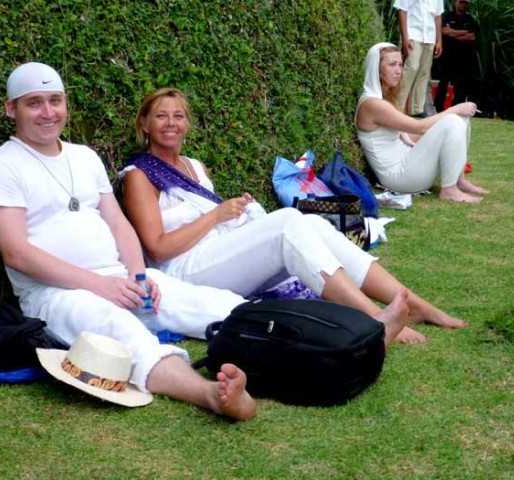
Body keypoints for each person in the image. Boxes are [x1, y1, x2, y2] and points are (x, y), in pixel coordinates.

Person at [0, 62, 257, 421]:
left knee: (220, 305)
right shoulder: (0, 168)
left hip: (121, 279)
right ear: (11, 108)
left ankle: (307, 349)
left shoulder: (85, 157)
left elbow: (119, 223)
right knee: (123, 335)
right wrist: (101, 286)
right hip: (55, 295)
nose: (48, 112)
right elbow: (17, 254)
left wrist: (138, 276)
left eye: (55, 101)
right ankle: (212, 395)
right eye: (34, 103)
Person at [121, 88, 464, 345]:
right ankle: (376, 319)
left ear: (187, 123)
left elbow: (213, 218)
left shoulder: (193, 166)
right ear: (144, 124)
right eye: (161, 116)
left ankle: (415, 304)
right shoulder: (139, 175)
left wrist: (234, 211)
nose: (171, 123)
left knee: (312, 223)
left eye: (178, 116)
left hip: (220, 253)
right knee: (287, 222)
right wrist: (215, 216)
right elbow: (158, 247)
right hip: (186, 270)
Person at [356, 42, 489, 203]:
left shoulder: (384, 98)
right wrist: (453, 109)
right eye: (392, 65)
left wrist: (448, 121)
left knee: (460, 120)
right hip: (398, 176)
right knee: (452, 119)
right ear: (376, 69)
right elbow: (419, 127)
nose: (398, 71)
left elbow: (408, 135)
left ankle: (458, 180)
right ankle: (449, 190)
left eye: (400, 64)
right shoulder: (372, 104)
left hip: (408, 162)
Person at [394, 0, 444, 117]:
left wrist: (439, 40)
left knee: (424, 72)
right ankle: (397, 107)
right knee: (412, 67)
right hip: (413, 34)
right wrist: (405, 37)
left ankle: (416, 109)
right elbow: (402, 11)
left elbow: (438, 16)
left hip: (429, 36)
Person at [433, 0, 480, 113]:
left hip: (464, 58)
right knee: (443, 82)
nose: (463, 5)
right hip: (448, 56)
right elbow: (443, 31)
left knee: (461, 85)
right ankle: (437, 107)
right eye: (461, 2)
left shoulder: (470, 19)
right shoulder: (447, 15)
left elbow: (472, 36)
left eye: (465, 3)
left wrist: (452, 33)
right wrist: (463, 32)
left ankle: (456, 108)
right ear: (455, 2)